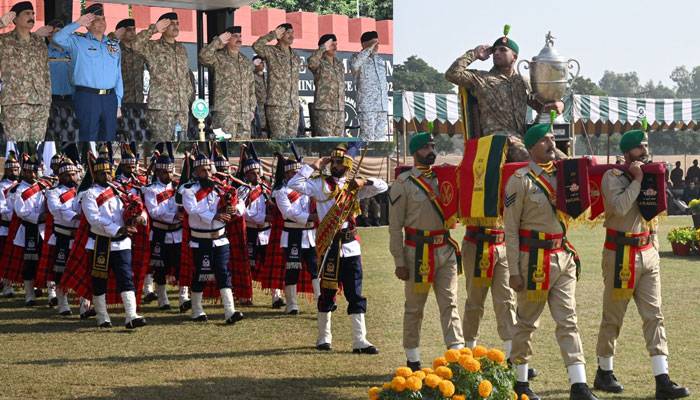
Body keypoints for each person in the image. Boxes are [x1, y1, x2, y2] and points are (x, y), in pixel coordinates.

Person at [593, 129, 689, 399]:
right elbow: (620, 207)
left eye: (646, 145)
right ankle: (604, 370)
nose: (644, 150)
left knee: (654, 315)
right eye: (639, 147)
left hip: (647, 252)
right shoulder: (612, 177)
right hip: (620, 251)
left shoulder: (650, 176)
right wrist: (636, 180)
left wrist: (655, 250)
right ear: (626, 153)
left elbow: (652, 214)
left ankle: (662, 378)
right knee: (613, 316)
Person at [504, 124, 597, 400]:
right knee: (528, 322)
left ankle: (578, 384)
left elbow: (581, 198)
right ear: (531, 147)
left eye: (552, 138)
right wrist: (514, 270)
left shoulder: (565, 175)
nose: (550, 142)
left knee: (568, 320)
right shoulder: (519, 180)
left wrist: (568, 161)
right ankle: (520, 382)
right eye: (544, 139)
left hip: (563, 257)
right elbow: (510, 229)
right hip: (533, 259)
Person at [289, 144, 387, 354]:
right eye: (333, 162)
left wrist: (365, 181)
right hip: (330, 245)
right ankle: (324, 338)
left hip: (350, 247)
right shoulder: (319, 184)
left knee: (355, 292)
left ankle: (360, 340)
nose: (336, 165)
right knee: (327, 292)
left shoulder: (354, 188)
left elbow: (383, 186)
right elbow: (294, 183)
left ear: (348, 165)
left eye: (340, 162)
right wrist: (314, 165)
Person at [389, 133, 465, 371]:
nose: (430, 150)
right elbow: (394, 228)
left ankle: (456, 356)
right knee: (414, 308)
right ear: (414, 152)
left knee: (450, 304)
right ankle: (412, 359)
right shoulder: (403, 184)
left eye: (432, 146)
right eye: (424, 147)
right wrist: (399, 260)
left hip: (445, 249)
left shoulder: (445, 178)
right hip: (417, 252)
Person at [445, 27, 563, 140]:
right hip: (496, 140)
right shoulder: (481, 78)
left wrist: (559, 104)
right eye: (495, 50)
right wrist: (475, 53)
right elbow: (452, 74)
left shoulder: (523, 81)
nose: (496, 53)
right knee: (529, 157)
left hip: (522, 137)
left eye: (502, 50)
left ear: (514, 57)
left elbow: (545, 104)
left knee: (558, 157)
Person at [81, 155, 147, 329]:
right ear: (95, 175)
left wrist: (140, 217)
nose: (107, 176)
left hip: (122, 243)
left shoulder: (121, 190)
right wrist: (118, 229)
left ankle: (131, 316)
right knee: (99, 281)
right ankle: (102, 317)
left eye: (109, 173)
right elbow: (94, 219)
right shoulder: (89, 195)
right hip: (100, 243)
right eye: (102, 173)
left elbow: (137, 205)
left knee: (126, 278)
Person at [180, 154, 245, 324]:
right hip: (200, 240)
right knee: (201, 274)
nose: (208, 173)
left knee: (223, 272)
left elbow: (241, 203)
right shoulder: (189, 190)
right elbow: (192, 210)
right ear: (195, 172)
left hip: (221, 239)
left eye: (209, 169)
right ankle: (196, 310)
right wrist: (215, 216)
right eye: (203, 170)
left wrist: (234, 208)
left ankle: (230, 311)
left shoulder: (221, 188)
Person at [53, 3, 123, 141]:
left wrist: (118, 103)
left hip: (110, 98)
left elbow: (118, 76)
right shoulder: (77, 41)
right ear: (88, 23)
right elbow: (57, 38)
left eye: (103, 18)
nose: (101, 22)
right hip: (87, 97)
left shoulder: (113, 45)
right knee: (88, 137)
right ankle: (88, 162)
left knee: (108, 137)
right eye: (97, 19)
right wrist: (78, 22)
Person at [132, 12, 194, 141]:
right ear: (163, 27)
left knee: (181, 146)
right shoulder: (152, 47)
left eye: (177, 23)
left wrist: (188, 98)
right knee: (162, 146)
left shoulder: (182, 49)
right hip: (161, 107)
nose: (176, 26)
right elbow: (135, 44)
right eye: (171, 24)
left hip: (182, 108)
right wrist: (154, 29)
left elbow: (185, 76)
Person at [271, 156, 321, 314]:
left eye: (298, 172)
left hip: (310, 235)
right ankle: (292, 304)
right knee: (292, 270)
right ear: (286, 175)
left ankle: (321, 300)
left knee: (315, 269)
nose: (296, 175)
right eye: (293, 173)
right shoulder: (281, 191)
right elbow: (288, 213)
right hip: (292, 234)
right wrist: (310, 217)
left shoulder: (308, 188)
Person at [142, 154, 190, 312]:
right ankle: (162, 299)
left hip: (177, 232)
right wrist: (173, 215)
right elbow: (154, 212)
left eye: (170, 172)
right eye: (164, 172)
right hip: (159, 233)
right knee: (159, 268)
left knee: (182, 267)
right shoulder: (150, 190)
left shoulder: (178, 187)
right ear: (158, 172)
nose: (168, 175)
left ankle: (184, 298)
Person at [0, 2, 52, 141]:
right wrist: (1, 23)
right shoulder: (4, 41)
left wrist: (47, 99)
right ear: (15, 19)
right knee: (18, 149)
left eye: (33, 13)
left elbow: (45, 71)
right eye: (26, 13)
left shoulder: (39, 41)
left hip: (40, 104)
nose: (31, 16)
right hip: (16, 104)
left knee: (35, 151)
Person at [198, 26, 256, 139]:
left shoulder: (246, 62)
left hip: (244, 116)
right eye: (235, 36)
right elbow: (203, 57)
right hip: (225, 114)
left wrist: (251, 110)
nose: (239, 39)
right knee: (225, 149)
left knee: (243, 150)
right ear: (227, 39)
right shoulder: (219, 58)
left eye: (240, 36)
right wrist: (217, 42)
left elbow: (251, 88)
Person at [44, 158, 81, 315]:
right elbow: (56, 210)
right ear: (60, 176)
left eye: (73, 174)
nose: (72, 178)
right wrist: (78, 216)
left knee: (82, 270)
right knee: (60, 272)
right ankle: (63, 303)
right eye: (67, 175)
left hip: (80, 237)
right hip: (62, 236)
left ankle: (84, 305)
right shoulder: (53, 192)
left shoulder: (83, 191)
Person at [252, 23, 301, 138]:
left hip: (293, 106)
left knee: (292, 142)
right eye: (288, 33)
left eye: (292, 33)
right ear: (280, 35)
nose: (291, 36)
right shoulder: (271, 51)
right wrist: (272, 35)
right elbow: (256, 46)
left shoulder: (295, 56)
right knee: (279, 142)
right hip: (277, 106)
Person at [351, 31, 389, 141]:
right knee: (368, 138)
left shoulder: (380, 60)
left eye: (377, 43)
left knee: (381, 138)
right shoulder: (356, 58)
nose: (377, 46)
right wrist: (368, 49)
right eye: (373, 43)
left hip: (382, 106)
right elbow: (354, 66)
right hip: (367, 107)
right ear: (364, 44)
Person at [308, 33, 345, 136]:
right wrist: (322, 48)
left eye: (336, 44)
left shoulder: (339, 64)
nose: (335, 47)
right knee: (326, 141)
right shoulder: (319, 62)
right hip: (324, 109)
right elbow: (311, 63)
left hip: (339, 109)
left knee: (339, 143)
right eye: (332, 44)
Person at [0, 152, 21, 297]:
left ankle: (10, 283)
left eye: (16, 170)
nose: (14, 172)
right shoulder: (1, 187)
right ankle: (5, 285)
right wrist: (13, 215)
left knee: (13, 256)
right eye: (12, 170)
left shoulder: (21, 185)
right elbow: (1, 208)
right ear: (6, 170)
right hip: (5, 226)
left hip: (18, 226)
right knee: (3, 255)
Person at [113, 18, 146, 105]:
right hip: (120, 100)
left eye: (134, 29)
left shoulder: (139, 51)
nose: (132, 32)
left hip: (138, 100)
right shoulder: (115, 49)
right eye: (128, 30)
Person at [46, 19, 74, 102]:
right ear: (49, 35)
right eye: (57, 31)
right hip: (51, 98)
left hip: (72, 97)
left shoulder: (73, 52)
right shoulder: (43, 53)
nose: (60, 35)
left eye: (62, 32)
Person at [252, 56, 268, 136]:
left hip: (268, 107)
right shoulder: (251, 76)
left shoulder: (267, 76)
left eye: (263, 63)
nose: (262, 64)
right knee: (259, 130)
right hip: (257, 107)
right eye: (259, 62)